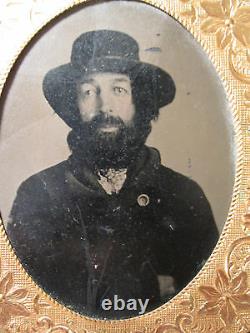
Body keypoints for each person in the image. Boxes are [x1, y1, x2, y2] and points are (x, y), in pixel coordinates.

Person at [7, 30, 219, 319]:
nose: (104, 106)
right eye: (89, 91)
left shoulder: (183, 195)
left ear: (139, 102)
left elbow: (211, 307)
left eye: (118, 89)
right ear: (74, 105)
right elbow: (24, 308)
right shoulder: (39, 194)